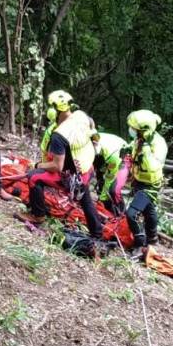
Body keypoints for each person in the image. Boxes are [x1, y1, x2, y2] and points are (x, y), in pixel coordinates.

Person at [25, 90, 102, 237]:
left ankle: (38, 215)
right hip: (86, 169)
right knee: (86, 201)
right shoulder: (81, 116)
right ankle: (97, 232)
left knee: (34, 177)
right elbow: (94, 133)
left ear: (54, 110)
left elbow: (56, 166)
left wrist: (37, 166)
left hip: (72, 175)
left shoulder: (59, 135)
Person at [121, 109, 167, 258]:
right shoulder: (140, 140)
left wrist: (145, 151)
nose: (132, 130)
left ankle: (140, 245)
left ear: (144, 130)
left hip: (150, 184)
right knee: (149, 210)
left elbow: (152, 166)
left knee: (131, 214)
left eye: (134, 129)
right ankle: (152, 238)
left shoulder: (158, 144)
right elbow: (134, 151)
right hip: (139, 180)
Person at [91, 129, 129, 214]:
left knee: (113, 190)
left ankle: (121, 212)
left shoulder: (112, 156)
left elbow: (109, 178)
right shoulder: (92, 139)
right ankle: (102, 195)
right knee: (99, 174)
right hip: (104, 153)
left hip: (120, 157)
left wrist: (102, 198)